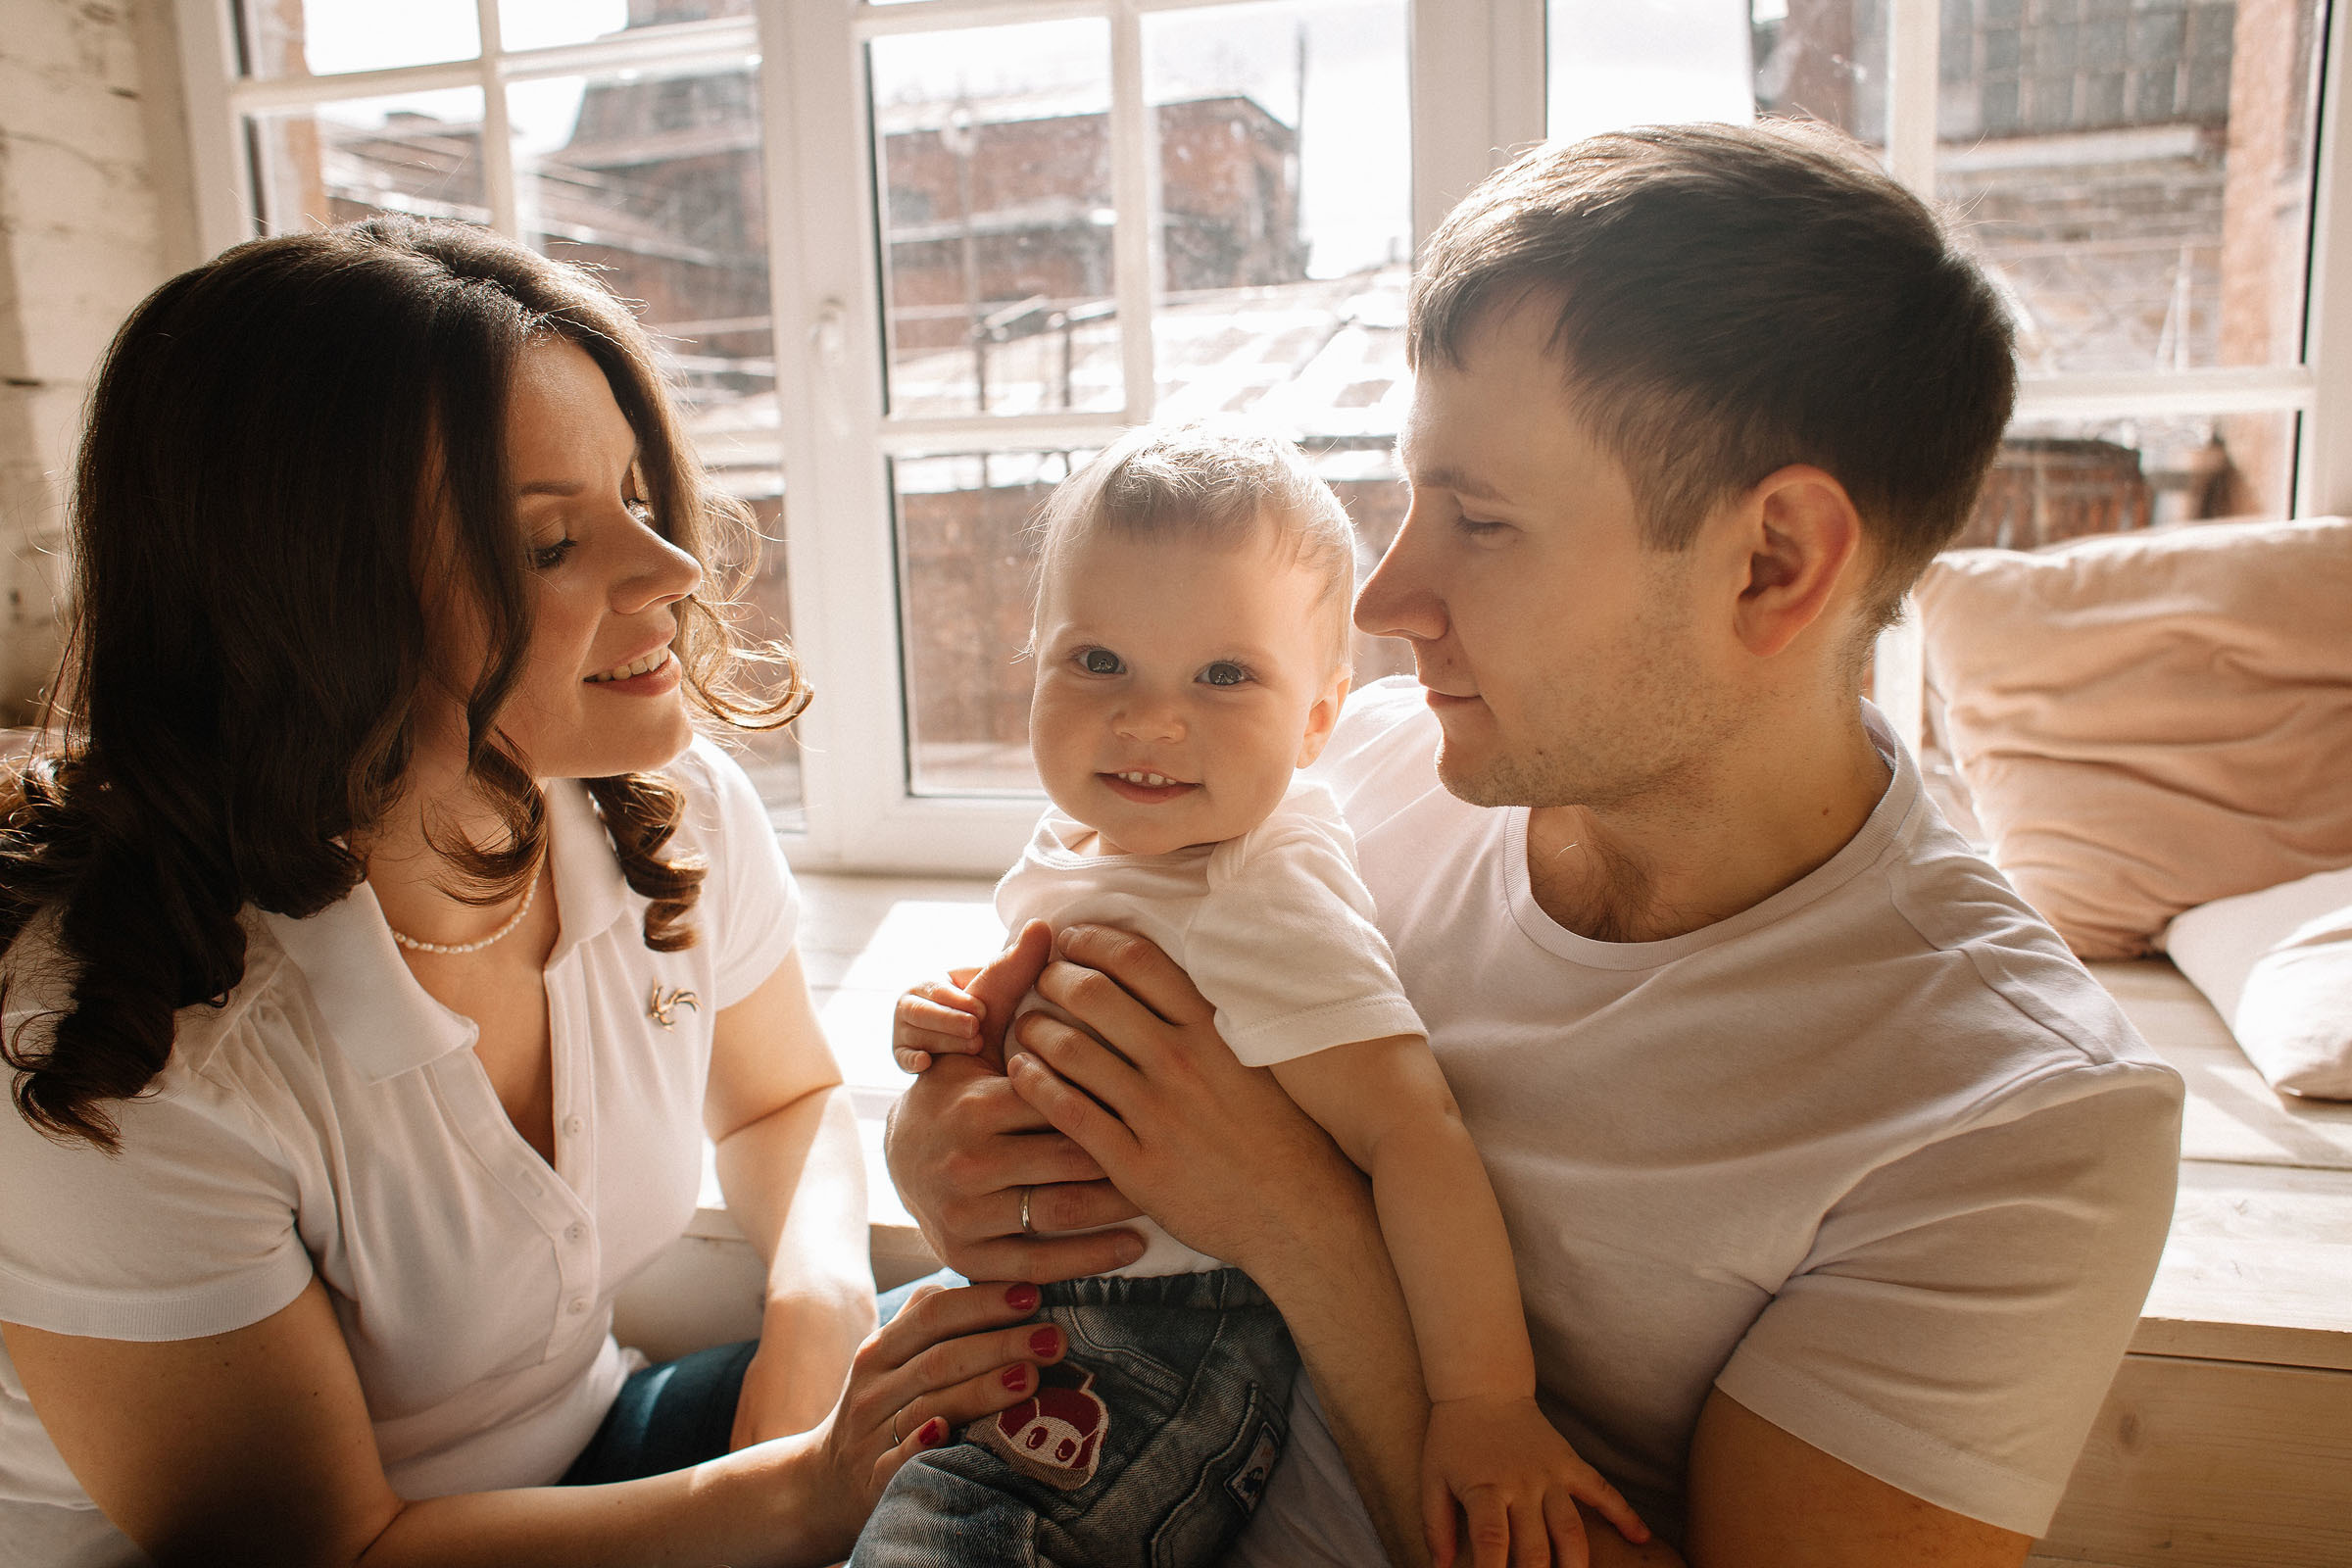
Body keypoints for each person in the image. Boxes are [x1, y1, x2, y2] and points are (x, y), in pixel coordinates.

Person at [883, 122, 2187, 1568]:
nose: (1384, 597)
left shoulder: (2014, 1123)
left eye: (1481, 520)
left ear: (1774, 564)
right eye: (1410, 494)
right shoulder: (1351, 773)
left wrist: (1304, 1230)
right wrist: (954, 1155)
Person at [0, 217, 1062, 1568]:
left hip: (596, 1457)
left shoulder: (668, 820)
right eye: (550, 544)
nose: (672, 572)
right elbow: (333, 1549)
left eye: (634, 493)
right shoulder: (124, 1047)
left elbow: (789, 1101)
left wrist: (812, 1343)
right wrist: (799, 1492)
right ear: (310, 605)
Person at [869, 420, 1645, 1568]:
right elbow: (1067, 981)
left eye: (1224, 675)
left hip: (1161, 1351)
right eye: (1096, 662)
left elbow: (1414, 1133)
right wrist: (956, 1023)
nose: (1148, 718)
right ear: (1031, 659)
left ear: (1319, 718)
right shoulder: (1099, 836)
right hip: (1039, 1306)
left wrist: (1484, 1403)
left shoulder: (1259, 881)